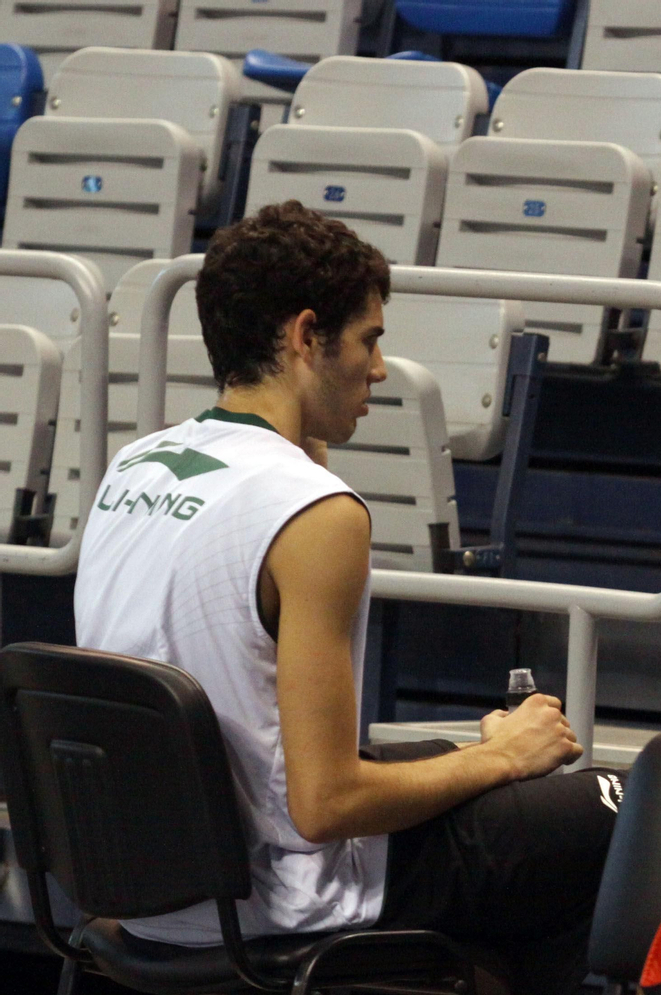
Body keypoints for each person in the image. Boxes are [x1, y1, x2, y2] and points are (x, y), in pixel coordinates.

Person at [74, 201, 624, 995]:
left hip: (153, 898)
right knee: (633, 813)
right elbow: (324, 803)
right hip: (286, 902)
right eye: (369, 339)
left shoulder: (136, 466)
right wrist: (500, 755)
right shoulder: (317, 514)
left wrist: (478, 765)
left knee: (462, 776)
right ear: (305, 337)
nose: (377, 369)